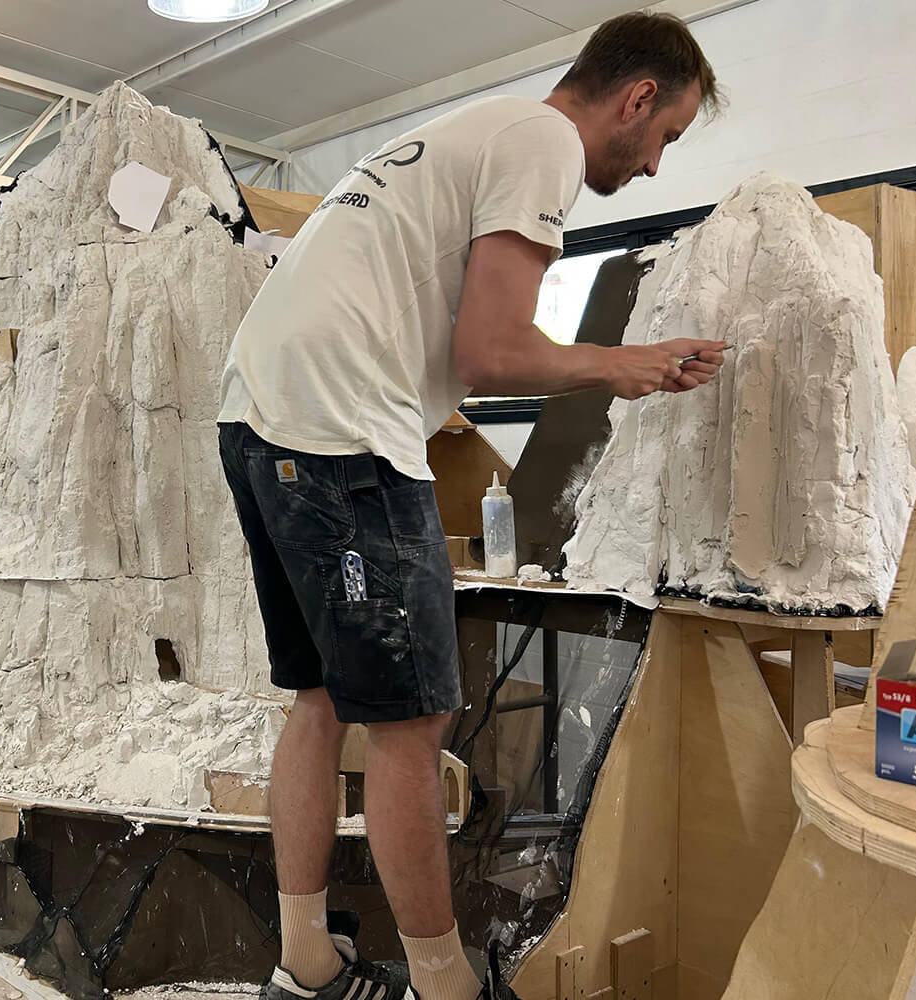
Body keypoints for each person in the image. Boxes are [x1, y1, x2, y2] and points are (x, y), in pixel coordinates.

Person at [216, 11, 724, 1000]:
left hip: (260, 420)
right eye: (665, 135)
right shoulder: (543, 143)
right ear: (636, 98)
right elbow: (492, 353)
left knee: (319, 701)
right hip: (342, 431)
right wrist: (617, 363)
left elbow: (459, 340)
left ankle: (304, 960)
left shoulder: (475, 129)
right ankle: (444, 986)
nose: (656, 164)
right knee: (413, 722)